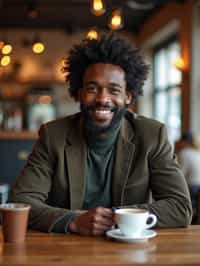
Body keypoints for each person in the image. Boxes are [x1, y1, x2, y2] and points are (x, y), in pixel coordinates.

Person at [9, 33, 192, 236]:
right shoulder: (54, 135)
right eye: (92, 89)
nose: (102, 99)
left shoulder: (151, 135)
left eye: (114, 90)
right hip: (66, 250)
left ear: (128, 96)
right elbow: (20, 202)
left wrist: (117, 217)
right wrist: (74, 221)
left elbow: (180, 207)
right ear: (79, 93)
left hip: (131, 251)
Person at [175, 132, 200, 211]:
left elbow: (181, 174)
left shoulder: (184, 153)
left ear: (184, 142)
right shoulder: (197, 152)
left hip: (193, 187)